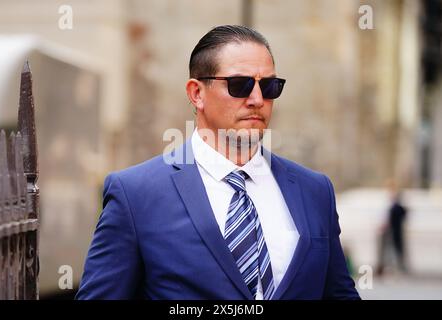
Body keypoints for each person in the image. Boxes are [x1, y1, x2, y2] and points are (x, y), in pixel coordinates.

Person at [76, 25, 360, 300]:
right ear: (196, 93)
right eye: (240, 85)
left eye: (270, 86)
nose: (258, 99)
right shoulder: (136, 194)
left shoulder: (315, 191)